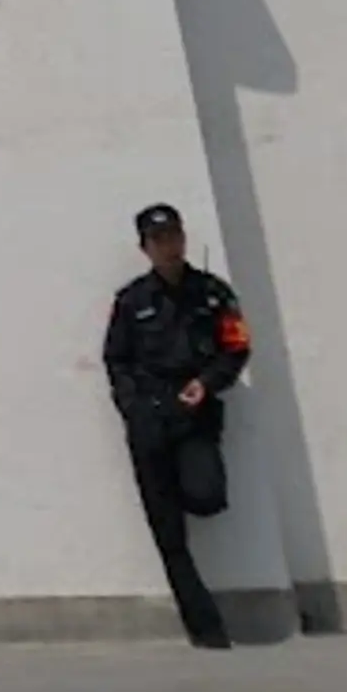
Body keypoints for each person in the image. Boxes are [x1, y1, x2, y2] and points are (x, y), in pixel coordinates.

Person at [102, 200, 251, 650]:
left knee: (206, 496)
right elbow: (116, 359)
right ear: (145, 247)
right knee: (169, 534)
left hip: (195, 414)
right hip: (150, 417)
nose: (169, 247)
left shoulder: (213, 293)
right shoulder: (131, 301)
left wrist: (207, 383)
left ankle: (192, 491)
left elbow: (236, 348)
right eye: (159, 240)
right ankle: (206, 630)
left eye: (174, 237)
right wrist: (133, 407)